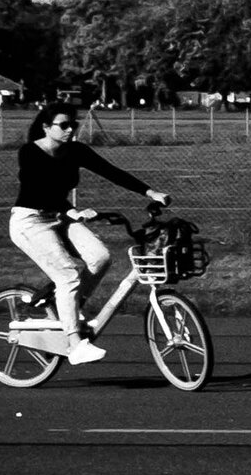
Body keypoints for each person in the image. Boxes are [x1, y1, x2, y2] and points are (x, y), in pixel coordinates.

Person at [9, 103, 169, 365]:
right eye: (63, 125)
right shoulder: (30, 152)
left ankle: (69, 308)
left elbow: (111, 172)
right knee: (69, 275)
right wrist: (72, 212)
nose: (70, 129)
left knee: (101, 257)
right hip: (31, 221)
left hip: (60, 216)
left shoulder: (76, 151)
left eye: (73, 124)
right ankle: (74, 345)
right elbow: (38, 189)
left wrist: (150, 192)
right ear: (46, 128)